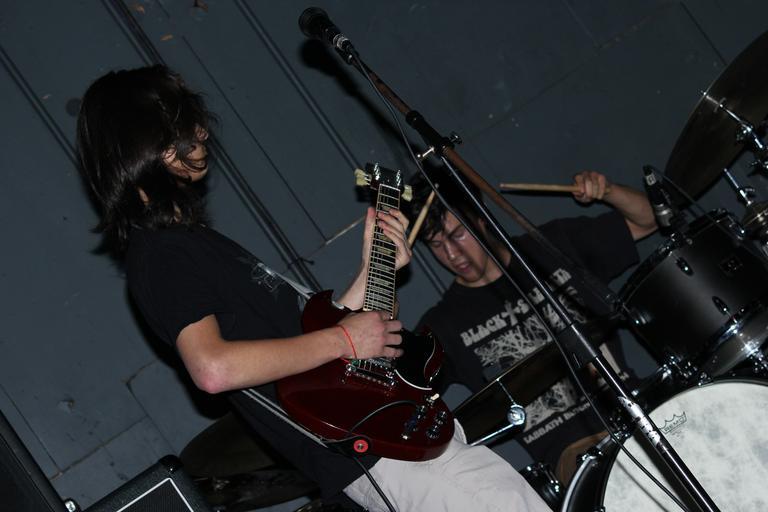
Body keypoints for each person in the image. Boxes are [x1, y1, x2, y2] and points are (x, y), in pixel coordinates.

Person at [76, 65, 551, 512]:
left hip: (397, 441)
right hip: (376, 454)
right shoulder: (160, 254)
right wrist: (345, 339)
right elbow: (213, 369)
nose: (202, 134)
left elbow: (310, 342)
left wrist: (373, 271)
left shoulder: (189, 243)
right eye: (186, 127)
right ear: (154, 147)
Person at [409, 171, 658, 486]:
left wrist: (607, 190)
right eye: (436, 244)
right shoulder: (444, 325)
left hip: (637, 409)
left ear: (481, 219)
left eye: (458, 234)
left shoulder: (551, 246)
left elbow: (650, 219)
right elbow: (400, 392)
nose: (452, 254)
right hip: (574, 453)